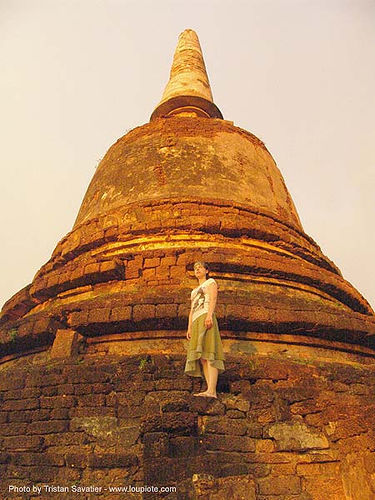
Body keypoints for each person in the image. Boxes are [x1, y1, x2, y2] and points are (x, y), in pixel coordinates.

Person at [184, 261, 225, 398]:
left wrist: (209, 315)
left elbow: (213, 299)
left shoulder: (211, 282)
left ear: (207, 270)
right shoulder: (194, 291)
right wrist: (189, 327)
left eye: (200, 267)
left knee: (209, 352)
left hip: (206, 316)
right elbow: (192, 309)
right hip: (196, 320)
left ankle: (212, 390)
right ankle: (209, 389)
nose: (197, 270)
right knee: (202, 356)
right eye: (195, 268)